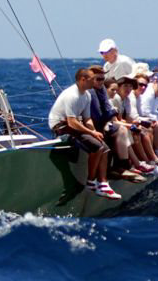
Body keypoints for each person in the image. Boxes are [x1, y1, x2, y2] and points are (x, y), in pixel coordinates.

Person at [48, 69, 120, 199]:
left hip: (74, 123)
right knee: (98, 147)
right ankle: (91, 181)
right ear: (82, 79)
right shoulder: (72, 95)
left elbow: (87, 119)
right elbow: (71, 122)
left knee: (105, 148)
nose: (95, 82)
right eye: (92, 79)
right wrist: (90, 132)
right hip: (61, 126)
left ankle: (102, 183)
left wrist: (94, 132)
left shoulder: (86, 95)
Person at [88, 67, 145, 182]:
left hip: (103, 123)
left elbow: (108, 110)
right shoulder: (90, 92)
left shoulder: (101, 90)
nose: (100, 82)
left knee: (123, 129)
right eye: (98, 79)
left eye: (102, 79)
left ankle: (122, 166)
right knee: (115, 135)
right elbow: (94, 115)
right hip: (93, 126)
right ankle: (100, 178)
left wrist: (113, 116)